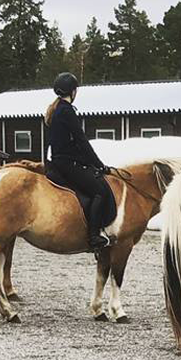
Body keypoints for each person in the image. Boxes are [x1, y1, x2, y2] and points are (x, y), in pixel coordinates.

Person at [47, 72, 113, 251]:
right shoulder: (67, 111)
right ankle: (93, 236)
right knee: (100, 191)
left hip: (57, 162)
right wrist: (99, 165)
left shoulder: (55, 110)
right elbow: (81, 141)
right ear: (73, 92)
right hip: (67, 164)